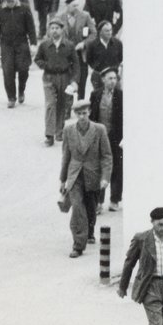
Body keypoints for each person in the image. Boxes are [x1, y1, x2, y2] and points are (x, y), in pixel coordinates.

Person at [58, 96, 111, 256]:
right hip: (75, 176)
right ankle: (78, 244)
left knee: (90, 207)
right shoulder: (68, 131)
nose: (82, 116)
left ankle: (89, 231)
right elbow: (65, 156)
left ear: (89, 112)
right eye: (79, 113)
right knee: (77, 207)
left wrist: (105, 177)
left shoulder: (99, 130)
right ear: (75, 114)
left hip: (93, 174)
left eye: (85, 113)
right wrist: (62, 180)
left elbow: (106, 156)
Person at [0, 0, 39, 107]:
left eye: (12, 0)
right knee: (8, 71)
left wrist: (33, 44)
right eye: (7, 1)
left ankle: (21, 89)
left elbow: (31, 28)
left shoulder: (24, 9)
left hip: (22, 43)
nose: (9, 3)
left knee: (23, 69)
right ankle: (11, 97)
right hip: (6, 44)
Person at [33, 19, 78, 145]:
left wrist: (74, 81)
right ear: (49, 30)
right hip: (49, 77)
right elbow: (37, 59)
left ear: (62, 30)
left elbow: (76, 65)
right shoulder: (44, 45)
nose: (54, 31)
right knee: (50, 104)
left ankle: (59, 131)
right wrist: (46, 65)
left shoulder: (69, 45)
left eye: (57, 28)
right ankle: (49, 135)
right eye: (52, 28)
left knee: (62, 105)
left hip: (64, 77)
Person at [93, 67, 125, 211]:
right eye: (110, 78)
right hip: (100, 137)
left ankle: (115, 200)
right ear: (103, 79)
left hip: (115, 137)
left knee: (117, 167)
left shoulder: (121, 95)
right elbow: (92, 115)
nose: (113, 81)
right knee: (99, 167)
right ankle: (98, 202)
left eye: (115, 78)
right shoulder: (96, 95)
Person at [55, 0, 97, 98]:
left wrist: (84, 43)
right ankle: (67, 108)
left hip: (80, 54)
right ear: (67, 5)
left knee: (82, 80)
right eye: (74, 5)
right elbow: (53, 34)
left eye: (77, 5)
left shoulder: (85, 16)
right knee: (67, 81)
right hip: (66, 54)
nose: (76, 8)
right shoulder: (60, 17)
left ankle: (80, 104)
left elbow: (94, 34)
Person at [84, 19, 123, 98]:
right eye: (106, 31)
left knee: (116, 99)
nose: (109, 33)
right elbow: (89, 60)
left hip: (114, 76)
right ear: (100, 32)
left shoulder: (118, 44)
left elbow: (120, 58)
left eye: (110, 30)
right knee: (99, 99)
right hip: (99, 76)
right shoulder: (92, 45)